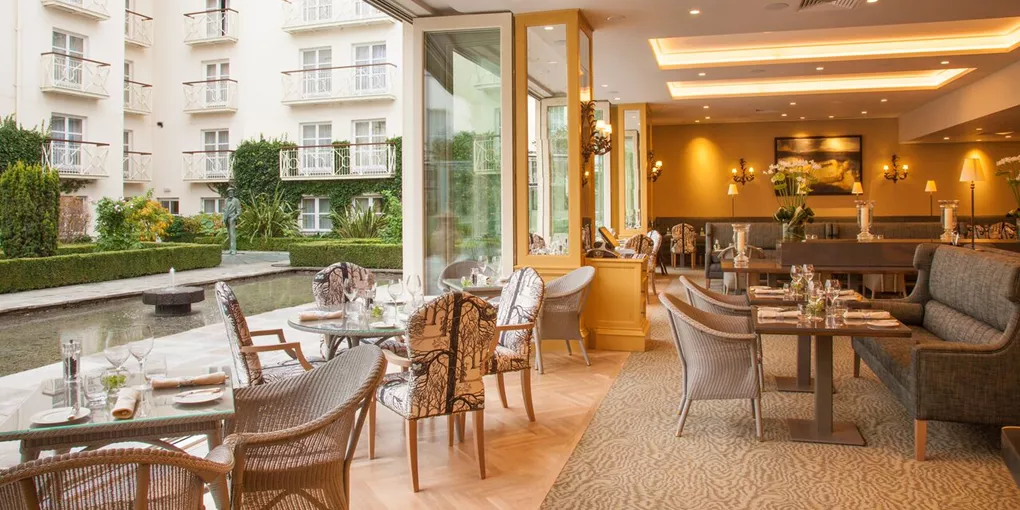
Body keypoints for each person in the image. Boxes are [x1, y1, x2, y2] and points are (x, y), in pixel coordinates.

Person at [224, 188, 241, 255]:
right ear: (228, 193)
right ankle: (230, 249)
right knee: (229, 234)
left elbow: (239, 211)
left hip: (232, 218)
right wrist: (223, 218)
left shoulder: (236, 200)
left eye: (232, 192)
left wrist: (235, 217)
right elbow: (225, 209)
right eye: (229, 192)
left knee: (232, 234)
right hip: (226, 218)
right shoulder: (226, 200)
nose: (230, 193)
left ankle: (234, 249)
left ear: (233, 193)